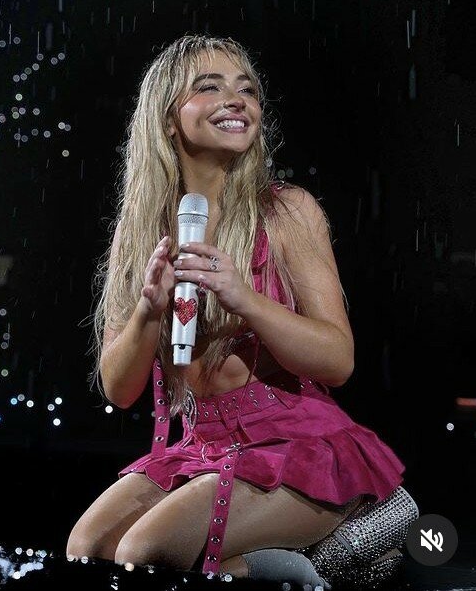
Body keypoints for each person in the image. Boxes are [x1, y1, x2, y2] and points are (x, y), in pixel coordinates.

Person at [66, 34, 418, 588]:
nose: (236, 100)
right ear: (168, 118)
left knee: (147, 550)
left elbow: (337, 361)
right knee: (87, 550)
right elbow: (119, 389)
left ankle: (357, 520)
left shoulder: (286, 212)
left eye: (247, 89)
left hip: (296, 446)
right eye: (210, 87)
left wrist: (244, 298)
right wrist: (149, 313)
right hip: (203, 444)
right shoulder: (138, 234)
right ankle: (299, 569)